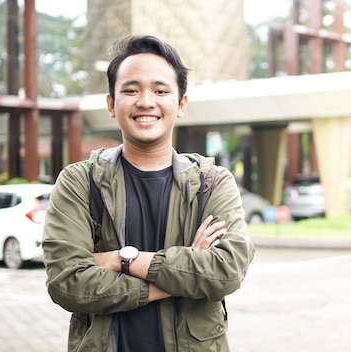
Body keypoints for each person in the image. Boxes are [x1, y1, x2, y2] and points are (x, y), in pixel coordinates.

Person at [42, 35, 256, 352]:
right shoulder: (79, 182)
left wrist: (121, 260)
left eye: (160, 90)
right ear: (111, 104)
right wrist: (183, 276)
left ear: (180, 104)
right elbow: (68, 284)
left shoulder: (211, 182)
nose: (145, 101)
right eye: (131, 90)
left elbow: (225, 271)